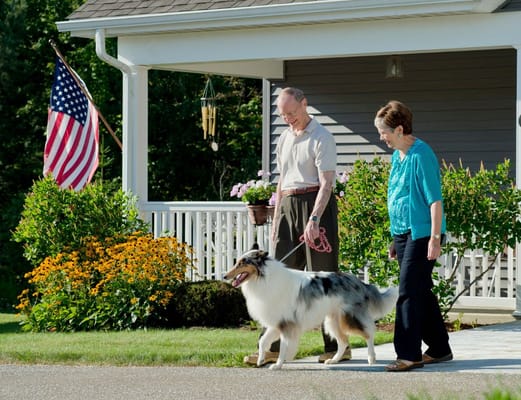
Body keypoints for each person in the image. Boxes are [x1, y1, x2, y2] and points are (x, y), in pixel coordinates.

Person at [244, 87, 351, 366]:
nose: (288, 118)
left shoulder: (322, 137)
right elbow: (281, 183)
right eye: (283, 115)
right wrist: (276, 219)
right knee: (276, 278)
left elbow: (327, 183)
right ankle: (269, 348)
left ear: (305, 104)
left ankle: (337, 346)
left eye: (291, 113)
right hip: (288, 205)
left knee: (324, 278)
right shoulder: (283, 138)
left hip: (315, 204)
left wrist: (314, 219)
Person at [374, 100, 453, 372]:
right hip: (404, 234)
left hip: (423, 234)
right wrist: (394, 238)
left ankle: (409, 354)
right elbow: (398, 199)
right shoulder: (398, 156)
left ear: (398, 129)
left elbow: (435, 201)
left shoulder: (421, 155)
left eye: (383, 132)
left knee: (407, 292)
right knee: (421, 290)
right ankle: (440, 349)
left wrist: (434, 238)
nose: (381, 137)